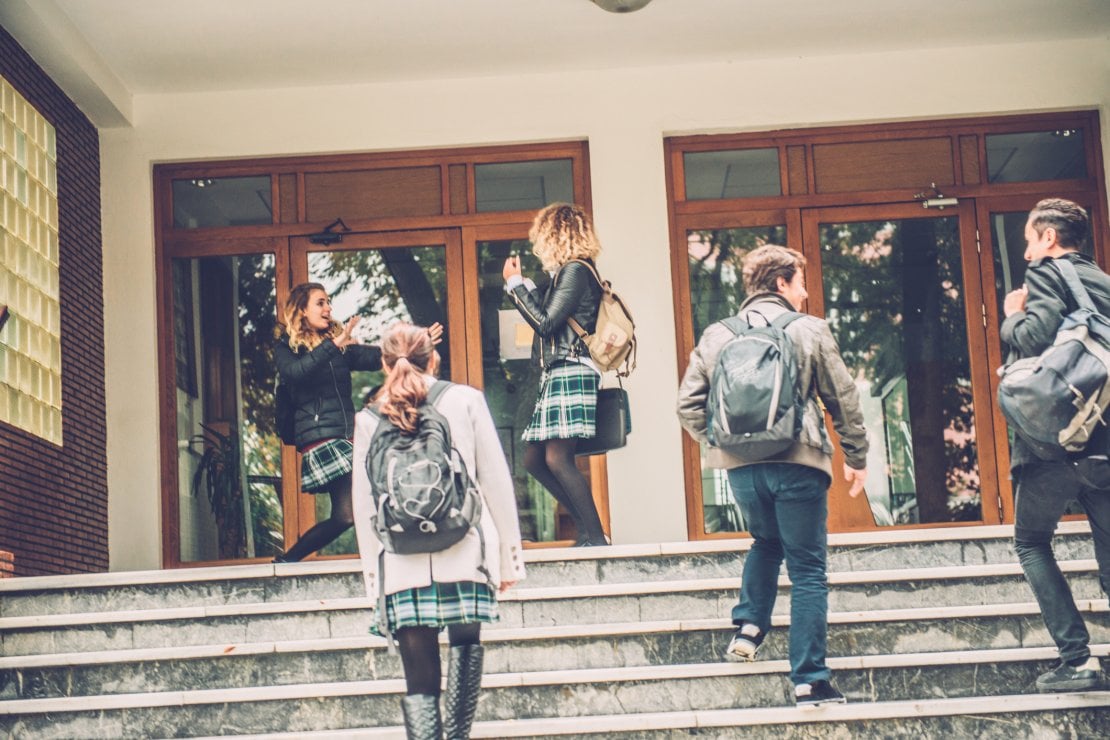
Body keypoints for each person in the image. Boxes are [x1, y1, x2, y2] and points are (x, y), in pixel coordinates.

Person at [676, 244, 869, 707]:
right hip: (798, 462)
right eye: (801, 282)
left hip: (743, 470)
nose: (805, 293)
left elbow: (687, 406)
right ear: (781, 283)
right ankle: (810, 681)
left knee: (765, 542)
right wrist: (856, 454)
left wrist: (724, 444)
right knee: (807, 570)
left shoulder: (717, 334)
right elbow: (842, 397)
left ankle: (749, 626)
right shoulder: (809, 329)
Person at [352, 322, 526, 739]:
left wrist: (374, 579)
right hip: (465, 551)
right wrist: (508, 561)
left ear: (384, 364)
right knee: (466, 648)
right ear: (434, 359)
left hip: (402, 563)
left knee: (419, 681)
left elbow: (364, 505)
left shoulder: (369, 417)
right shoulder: (466, 400)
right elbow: (495, 481)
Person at [1001, 198, 1110, 692]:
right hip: (1103, 445)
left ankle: (1078, 660)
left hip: (1053, 446)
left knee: (1031, 542)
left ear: (1048, 237)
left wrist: (1012, 315)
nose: (1027, 252)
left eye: (1029, 240)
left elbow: (1034, 336)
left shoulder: (1047, 272)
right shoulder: (1102, 282)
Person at [502, 202, 609, 547]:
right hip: (561, 369)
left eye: (541, 237)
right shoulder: (569, 273)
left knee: (556, 457)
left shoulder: (575, 270)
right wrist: (527, 288)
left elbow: (545, 323)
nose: (538, 245)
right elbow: (550, 318)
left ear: (555, 235)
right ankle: (588, 532)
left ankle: (595, 538)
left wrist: (515, 285)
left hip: (571, 368)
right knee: (535, 459)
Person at [272, 282, 387, 562]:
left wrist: (415, 343)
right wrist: (334, 344)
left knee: (345, 515)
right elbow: (296, 373)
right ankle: (391, 558)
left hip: (343, 434)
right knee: (375, 489)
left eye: (329, 302)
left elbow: (375, 357)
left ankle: (287, 560)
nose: (328, 308)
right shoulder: (287, 346)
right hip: (321, 436)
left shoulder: (338, 345)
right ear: (302, 310)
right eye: (320, 303)